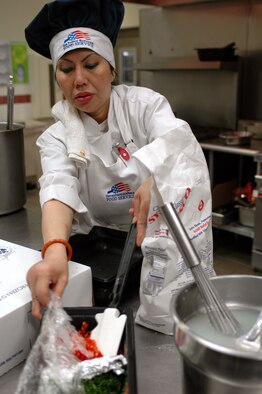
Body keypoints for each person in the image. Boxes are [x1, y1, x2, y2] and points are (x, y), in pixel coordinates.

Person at [25, 0, 211, 319]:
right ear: (58, 77)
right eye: (66, 69)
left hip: (159, 242)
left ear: (111, 68)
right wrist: (54, 251)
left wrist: (158, 179)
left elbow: (178, 144)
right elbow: (58, 185)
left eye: (91, 64)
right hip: (103, 256)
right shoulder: (57, 136)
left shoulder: (145, 107)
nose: (79, 79)